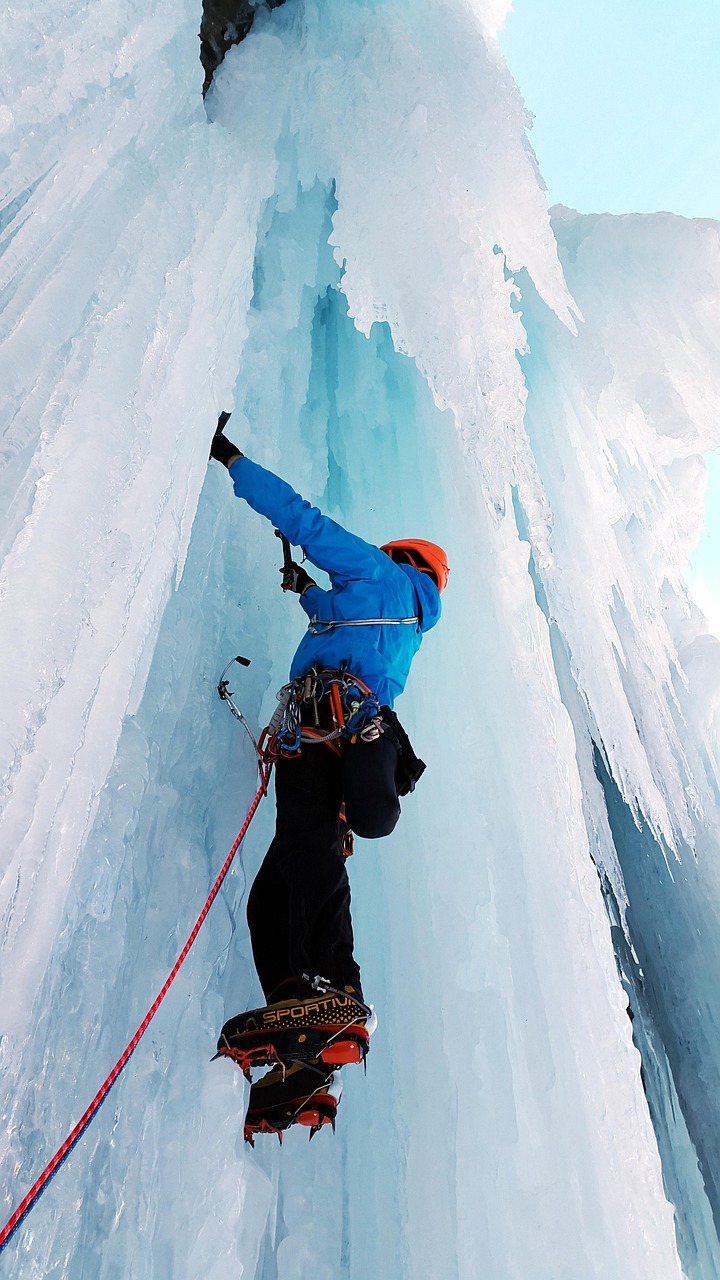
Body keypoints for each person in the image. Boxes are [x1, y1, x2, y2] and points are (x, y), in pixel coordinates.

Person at [209, 414, 448, 1120]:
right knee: (276, 892)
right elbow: (345, 621)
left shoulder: (377, 571)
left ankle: (335, 991)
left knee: (309, 859)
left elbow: (303, 518)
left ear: (400, 557)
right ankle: (306, 1055)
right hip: (349, 745)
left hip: (320, 739)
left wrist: (231, 459)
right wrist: (308, 591)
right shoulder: (401, 622)